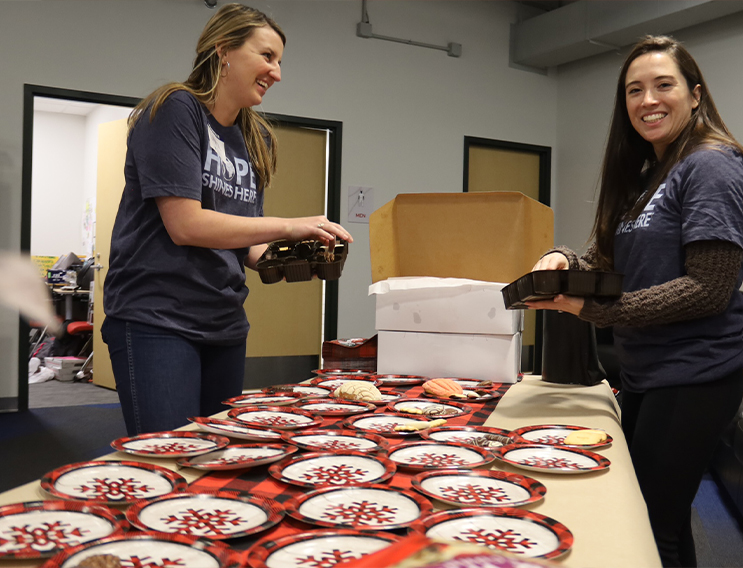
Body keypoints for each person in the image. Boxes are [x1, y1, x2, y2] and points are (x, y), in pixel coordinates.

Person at [528, 35, 743, 567]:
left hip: (698, 370)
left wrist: (595, 311)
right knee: (655, 516)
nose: (648, 100)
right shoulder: (648, 176)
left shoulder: (711, 166)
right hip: (649, 369)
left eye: (663, 85)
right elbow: (601, 260)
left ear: (695, 95)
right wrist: (562, 261)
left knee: (651, 522)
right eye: (634, 90)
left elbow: (709, 288)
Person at [101, 3, 352, 437]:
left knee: (215, 456)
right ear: (224, 51)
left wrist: (296, 256)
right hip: (158, 320)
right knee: (171, 459)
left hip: (224, 323)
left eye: (279, 61)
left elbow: (244, 243)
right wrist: (290, 224)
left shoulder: (249, 136)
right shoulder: (176, 109)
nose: (277, 73)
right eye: (267, 56)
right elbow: (187, 225)